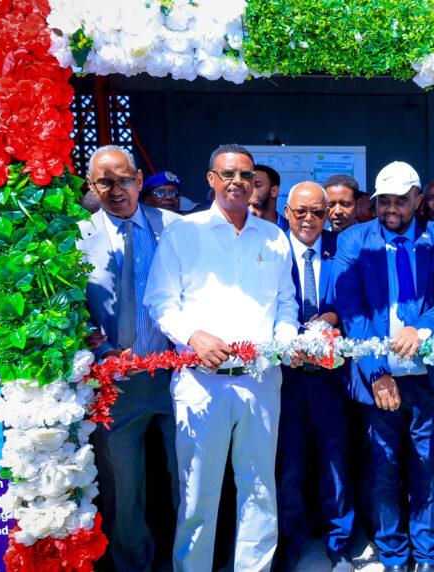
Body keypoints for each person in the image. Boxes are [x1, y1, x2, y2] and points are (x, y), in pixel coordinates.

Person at [144, 144, 299, 571]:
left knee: (259, 489)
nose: (237, 182)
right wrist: (194, 336)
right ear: (210, 179)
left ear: (256, 184)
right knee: (198, 493)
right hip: (201, 381)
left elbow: (287, 301)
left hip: (260, 379)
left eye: (246, 175)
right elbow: (159, 302)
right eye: (227, 174)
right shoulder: (183, 233)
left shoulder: (272, 236)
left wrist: (283, 339)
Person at [334, 161, 434, 572]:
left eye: (400, 200)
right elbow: (351, 310)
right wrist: (376, 371)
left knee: (431, 470)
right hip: (381, 382)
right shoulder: (355, 241)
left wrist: (421, 329)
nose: (392, 208)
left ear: (417, 199)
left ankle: (428, 556)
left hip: (429, 380)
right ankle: (393, 555)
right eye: (384, 201)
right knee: (384, 471)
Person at [78, 145, 180, 572]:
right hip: (116, 385)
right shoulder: (77, 237)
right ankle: (133, 563)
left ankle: (189, 559)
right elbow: (65, 305)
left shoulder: (175, 227)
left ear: (139, 180)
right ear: (91, 185)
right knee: (125, 484)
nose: (117, 190)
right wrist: (89, 338)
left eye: (124, 180)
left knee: (189, 477)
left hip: (177, 375)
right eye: (106, 182)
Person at [275, 182, 356, 572]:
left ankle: (340, 541)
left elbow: (354, 300)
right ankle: (289, 539)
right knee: (288, 462)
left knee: (334, 459)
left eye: (318, 213)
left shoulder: (340, 249)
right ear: (286, 212)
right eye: (301, 212)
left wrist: (335, 317)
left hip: (329, 378)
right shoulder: (270, 248)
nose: (309, 220)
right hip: (284, 378)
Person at [250, 163, 290, 231]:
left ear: (274, 191)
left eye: (257, 185)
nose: (249, 190)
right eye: (248, 185)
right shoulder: (235, 229)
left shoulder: (291, 231)